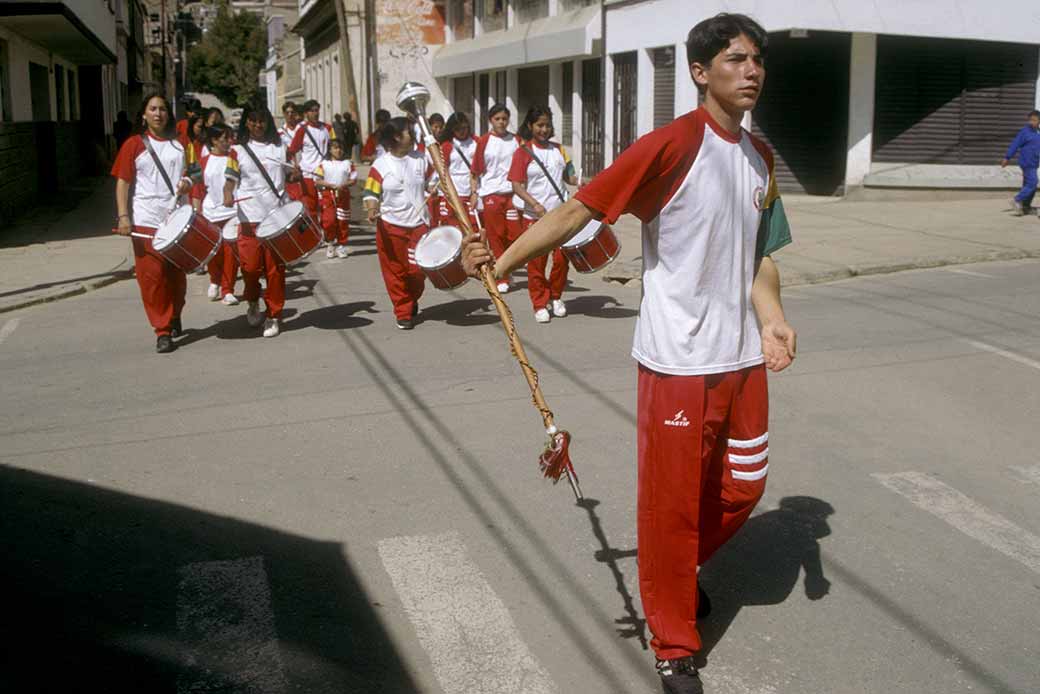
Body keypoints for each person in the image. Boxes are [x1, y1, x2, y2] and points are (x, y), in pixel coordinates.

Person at [461, 14, 796, 694]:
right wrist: (502, 262)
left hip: (741, 360)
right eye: (735, 59)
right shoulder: (672, 145)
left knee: (745, 485)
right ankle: (674, 640)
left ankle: (672, 570)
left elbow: (761, 254)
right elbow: (580, 211)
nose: (752, 70)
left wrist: (774, 318)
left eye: (757, 59)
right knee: (671, 507)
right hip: (677, 360)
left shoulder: (759, 157)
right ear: (701, 72)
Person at [111, 92, 194, 354]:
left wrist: (188, 183)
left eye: (162, 109)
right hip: (146, 220)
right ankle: (162, 330)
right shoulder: (133, 144)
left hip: (177, 220)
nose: (158, 114)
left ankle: (175, 313)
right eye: (153, 109)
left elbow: (194, 173)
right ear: (144, 115)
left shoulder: (180, 143)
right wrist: (124, 217)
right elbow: (123, 182)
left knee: (177, 279)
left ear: (169, 114)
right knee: (152, 279)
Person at [363, 117, 438, 330]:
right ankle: (403, 310)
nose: (413, 135)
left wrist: (434, 189)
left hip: (418, 225)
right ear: (396, 136)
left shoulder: (421, 159)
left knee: (417, 271)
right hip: (390, 226)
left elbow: (433, 181)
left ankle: (411, 297)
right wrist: (371, 209)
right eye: (408, 132)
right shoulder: (380, 165)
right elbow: (371, 192)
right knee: (394, 270)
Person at [509, 105, 576, 323]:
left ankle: (556, 296)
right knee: (536, 263)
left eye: (547, 125)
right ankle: (539, 302)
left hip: (560, 216)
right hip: (535, 217)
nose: (544, 129)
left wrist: (581, 181)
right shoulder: (523, 152)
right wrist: (534, 204)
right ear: (530, 126)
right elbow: (517, 185)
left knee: (561, 260)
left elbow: (569, 176)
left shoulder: (559, 150)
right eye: (539, 125)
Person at [227, 105, 290, 339]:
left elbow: (291, 173)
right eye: (252, 121)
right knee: (250, 267)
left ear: (268, 122)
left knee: (275, 270)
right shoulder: (237, 151)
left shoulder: (280, 147)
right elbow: (230, 179)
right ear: (246, 124)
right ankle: (253, 301)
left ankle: (274, 314)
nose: (258, 125)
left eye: (262, 121)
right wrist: (226, 193)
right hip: (248, 217)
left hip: (275, 217)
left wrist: (295, 175)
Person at [470, 103, 522, 293]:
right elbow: (475, 171)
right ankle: (502, 276)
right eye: (497, 119)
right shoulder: (484, 141)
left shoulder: (516, 140)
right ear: (491, 120)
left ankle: (507, 267)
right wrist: (474, 193)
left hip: (513, 194)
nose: (501, 122)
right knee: (496, 235)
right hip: (491, 194)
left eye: (504, 119)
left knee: (515, 235)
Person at [191, 123, 239, 305]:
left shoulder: (234, 157)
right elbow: (196, 190)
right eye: (224, 138)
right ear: (213, 140)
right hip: (210, 213)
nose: (229, 142)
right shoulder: (202, 161)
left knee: (231, 252)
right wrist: (197, 213)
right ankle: (215, 280)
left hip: (232, 213)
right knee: (213, 252)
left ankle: (228, 290)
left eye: (230, 137)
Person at [287, 99, 335, 224]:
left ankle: (328, 233)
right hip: (308, 174)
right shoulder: (302, 130)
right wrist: (294, 167)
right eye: (312, 111)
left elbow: (335, 147)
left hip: (325, 174)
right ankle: (315, 234)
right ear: (306, 113)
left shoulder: (328, 128)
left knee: (327, 204)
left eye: (317, 110)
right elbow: (292, 150)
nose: (315, 113)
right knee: (310, 206)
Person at [316, 138, 358, 259]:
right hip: (328, 195)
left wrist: (344, 185)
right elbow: (318, 180)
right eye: (335, 148)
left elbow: (353, 179)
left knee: (342, 221)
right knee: (328, 221)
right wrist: (328, 185)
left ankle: (341, 245)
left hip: (343, 195)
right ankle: (330, 243)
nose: (338, 150)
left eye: (340, 148)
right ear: (330, 150)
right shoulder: (323, 164)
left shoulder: (348, 163)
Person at [437, 112, 479, 230]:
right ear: (452, 129)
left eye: (464, 128)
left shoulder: (477, 142)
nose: (462, 131)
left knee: (474, 228)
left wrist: (475, 192)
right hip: (453, 193)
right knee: (453, 229)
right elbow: (442, 171)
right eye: (457, 129)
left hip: (472, 193)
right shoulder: (446, 145)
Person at [1001, 110, 1040, 216]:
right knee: (1033, 182)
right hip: (1027, 162)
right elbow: (1015, 144)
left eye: (1034, 120)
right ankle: (1017, 200)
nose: (1031, 122)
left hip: (1034, 162)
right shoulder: (1025, 132)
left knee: (1028, 186)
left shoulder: (1038, 133)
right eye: (1030, 120)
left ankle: (1025, 207)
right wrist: (1007, 157)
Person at [279, 101, 303, 201]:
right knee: (292, 198)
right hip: (290, 169)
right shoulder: (279, 132)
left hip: (304, 166)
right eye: (287, 112)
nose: (290, 115)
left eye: (292, 112)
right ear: (284, 114)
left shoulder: (303, 129)